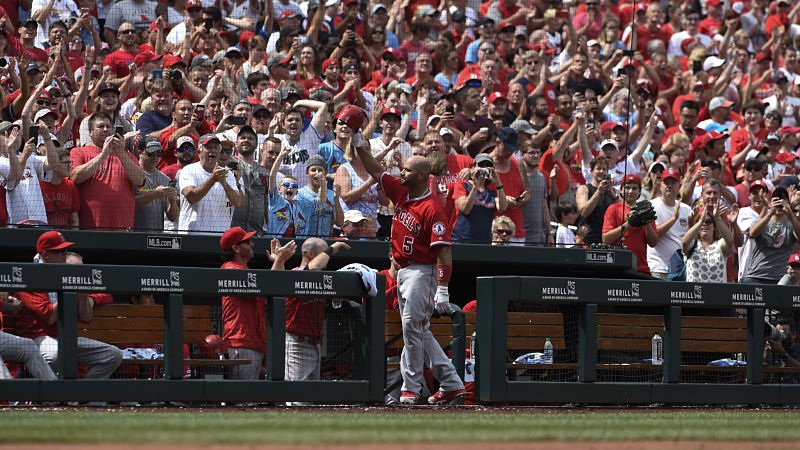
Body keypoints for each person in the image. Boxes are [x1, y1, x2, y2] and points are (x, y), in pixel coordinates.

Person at [355, 138, 466, 405]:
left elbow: (444, 252)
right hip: (402, 269)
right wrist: (358, 140)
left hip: (421, 271)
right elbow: (374, 169)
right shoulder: (402, 192)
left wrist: (442, 289)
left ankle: (411, 388)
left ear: (419, 176)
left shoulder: (434, 208)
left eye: (405, 170)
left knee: (412, 328)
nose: (400, 172)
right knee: (418, 330)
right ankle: (451, 383)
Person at [14, 231, 122, 379]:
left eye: (66, 250)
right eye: (60, 251)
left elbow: (86, 318)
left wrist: (84, 297)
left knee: (112, 354)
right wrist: (71, 286)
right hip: (36, 338)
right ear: (45, 255)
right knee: (55, 354)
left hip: (66, 337)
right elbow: (50, 316)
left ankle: (82, 396)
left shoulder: (65, 274)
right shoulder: (29, 275)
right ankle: (52, 397)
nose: (65, 255)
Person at [220, 227, 296, 380]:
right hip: (240, 341)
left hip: (252, 342)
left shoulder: (244, 269)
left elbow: (276, 290)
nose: (253, 244)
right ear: (235, 247)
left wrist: (278, 262)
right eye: (247, 242)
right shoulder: (230, 269)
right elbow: (269, 287)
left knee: (249, 400)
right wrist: (280, 260)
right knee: (243, 401)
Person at [284, 238, 350, 386]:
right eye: (325, 253)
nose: (328, 257)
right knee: (296, 397)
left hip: (315, 343)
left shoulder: (321, 280)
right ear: (310, 254)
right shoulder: (296, 273)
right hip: (296, 343)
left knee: (311, 397)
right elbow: (313, 267)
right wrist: (333, 247)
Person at [70, 112, 146, 231]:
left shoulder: (128, 156)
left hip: (123, 228)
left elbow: (139, 180)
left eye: (109, 127)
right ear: (90, 132)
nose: (105, 130)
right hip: (90, 228)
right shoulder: (79, 152)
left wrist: (120, 152)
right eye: (100, 127)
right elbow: (76, 177)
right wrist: (103, 154)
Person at [178, 134, 246, 234]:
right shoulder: (189, 170)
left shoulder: (229, 174)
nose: (213, 150)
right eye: (209, 147)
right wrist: (213, 179)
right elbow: (191, 197)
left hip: (220, 236)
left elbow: (239, 203)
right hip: (192, 235)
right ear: (199, 152)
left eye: (216, 147)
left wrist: (224, 183)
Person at [602, 174, 659, 276]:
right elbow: (605, 239)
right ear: (621, 191)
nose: (630, 191)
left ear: (640, 191)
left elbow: (653, 243)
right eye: (627, 188)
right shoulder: (613, 209)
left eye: (634, 188)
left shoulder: (645, 209)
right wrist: (628, 224)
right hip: (616, 267)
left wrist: (647, 222)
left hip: (641, 268)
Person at [741, 187, 800, 284]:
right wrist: (770, 213)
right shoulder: (760, 221)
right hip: (756, 276)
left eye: (783, 199)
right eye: (776, 200)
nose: (779, 203)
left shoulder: (792, 224)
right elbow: (752, 234)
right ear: (769, 203)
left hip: (780, 279)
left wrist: (790, 214)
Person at [646, 169, 691, 280]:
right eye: (666, 183)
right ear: (660, 185)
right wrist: (674, 218)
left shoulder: (686, 209)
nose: (669, 186)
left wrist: (694, 223)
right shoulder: (651, 206)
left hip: (681, 269)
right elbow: (653, 236)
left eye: (673, 183)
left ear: (679, 186)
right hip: (658, 268)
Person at [452, 153, 507, 243]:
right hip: (462, 240)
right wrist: (475, 186)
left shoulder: (492, 189)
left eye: (488, 165)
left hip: (484, 242)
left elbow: (502, 207)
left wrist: (498, 183)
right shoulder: (462, 184)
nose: (484, 168)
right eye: (481, 165)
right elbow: (465, 209)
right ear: (473, 167)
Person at [682, 198, 734, 283]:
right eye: (702, 221)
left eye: (709, 221)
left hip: (716, 295)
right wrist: (700, 222)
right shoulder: (693, 244)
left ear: (714, 226)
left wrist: (717, 218)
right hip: (694, 294)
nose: (704, 224)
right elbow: (684, 241)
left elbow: (730, 240)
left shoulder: (720, 244)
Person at [134, 137, 179, 231]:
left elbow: (173, 217)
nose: (155, 158)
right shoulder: (132, 174)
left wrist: (172, 202)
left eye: (158, 154)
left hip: (156, 236)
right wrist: (155, 194)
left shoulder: (165, 179)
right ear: (140, 153)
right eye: (150, 154)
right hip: (134, 234)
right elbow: (129, 204)